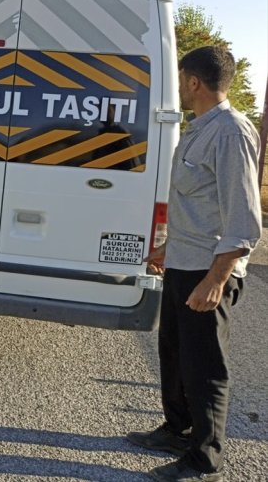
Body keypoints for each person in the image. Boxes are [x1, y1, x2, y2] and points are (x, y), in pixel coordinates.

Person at [126, 46, 261, 481]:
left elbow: (242, 219)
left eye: (181, 77)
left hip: (208, 271)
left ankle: (204, 457)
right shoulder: (200, 129)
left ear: (194, 82)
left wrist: (217, 280)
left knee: (205, 367)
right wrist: (169, 248)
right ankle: (176, 429)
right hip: (185, 262)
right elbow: (202, 205)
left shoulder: (230, 133)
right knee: (175, 353)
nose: (179, 85)